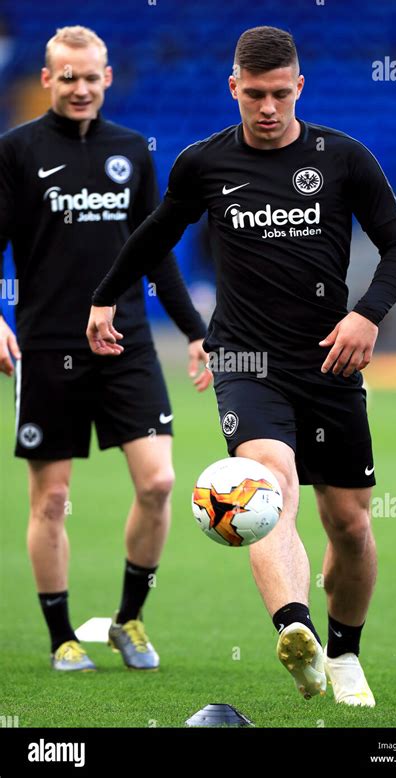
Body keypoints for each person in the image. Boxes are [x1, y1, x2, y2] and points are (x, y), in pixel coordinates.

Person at [86, 26, 396, 705]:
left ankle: (346, 653)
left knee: (351, 525)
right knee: (270, 486)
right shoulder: (202, 164)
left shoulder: (343, 158)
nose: (267, 109)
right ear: (233, 89)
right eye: (254, 95)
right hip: (245, 358)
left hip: (328, 361)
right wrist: (103, 299)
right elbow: (152, 236)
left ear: (300, 87)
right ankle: (296, 631)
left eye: (279, 95)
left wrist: (367, 314)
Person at [0, 25, 210, 672]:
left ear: (108, 77)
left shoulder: (132, 152)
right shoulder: (15, 152)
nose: (81, 88)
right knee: (53, 500)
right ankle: (63, 633)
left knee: (160, 482)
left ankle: (129, 620)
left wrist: (196, 332)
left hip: (128, 345)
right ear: (47, 80)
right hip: (49, 344)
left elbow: (157, 256)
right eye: (68, 78)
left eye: (92, 77)